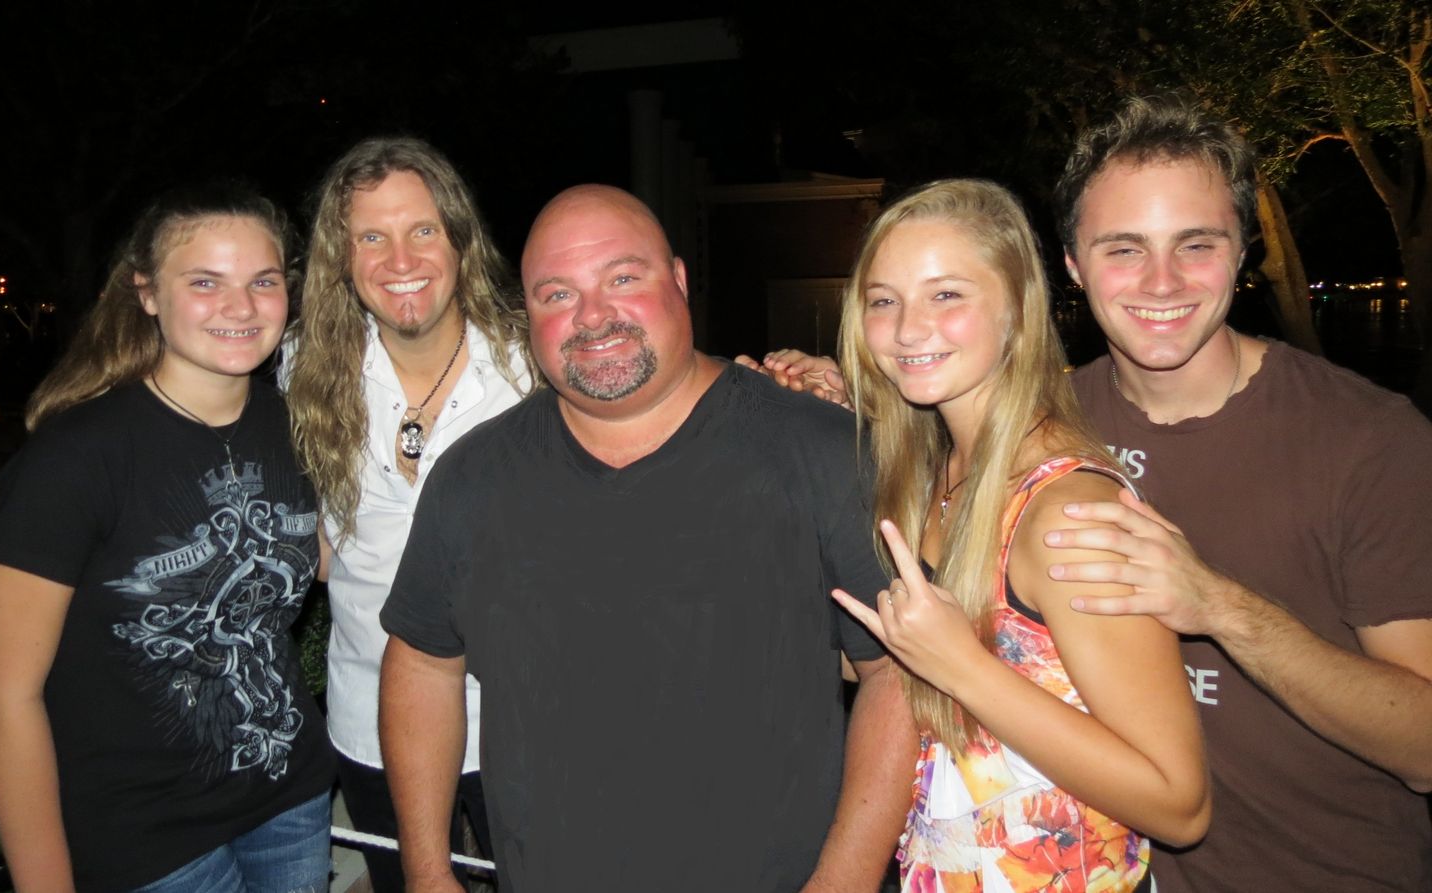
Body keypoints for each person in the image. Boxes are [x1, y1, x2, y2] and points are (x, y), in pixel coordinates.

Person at [377, 184, 915, 893]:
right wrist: (425, 870)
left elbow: (898, 674)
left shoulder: (821, 451)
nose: (593, 315)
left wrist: (842, 882)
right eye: (557, 294)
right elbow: (422, 664)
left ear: (680, 281)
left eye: (623, 278)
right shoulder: (472, 479)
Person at [1040, 95, 1432, 891]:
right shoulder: (1044, 426)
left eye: (1197, 244)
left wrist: (1217, 605)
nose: (1162, 281)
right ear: (1074, 265)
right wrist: (828, 394)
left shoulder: (1370, 438)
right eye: (1124, 248)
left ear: (1244, 249)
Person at [826, 179, 1207, 892]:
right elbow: (907, 673)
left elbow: (1179, 804)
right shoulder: (935, 478)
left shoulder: (1066, 511)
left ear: (1018, 309)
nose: (907, 329)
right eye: (883, 300)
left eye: (946, 294)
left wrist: (961, 665)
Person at [0, 183, 333, 892]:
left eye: (263, 281)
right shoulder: (75, 458)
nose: (241, 307)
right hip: (145, 838)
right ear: (146, 293)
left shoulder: (297, 427)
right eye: (205, 282)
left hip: (289, 795)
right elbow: (1, 697)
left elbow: (335, 562)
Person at [282, 136, 533, 889]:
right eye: (371, 237)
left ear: (460, 238)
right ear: (341, 257)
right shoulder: (305, 365)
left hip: (526, 721)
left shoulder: (532, 365)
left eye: (422, 229)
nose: (401, 259)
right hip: (369, 719)